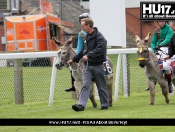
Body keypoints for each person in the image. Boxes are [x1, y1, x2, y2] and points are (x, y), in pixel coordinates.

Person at [67, 18, 109, 111]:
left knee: (101, 86)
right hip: (87, 66)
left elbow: (100, 49)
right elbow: (83, 51)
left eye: (83, 26)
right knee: (85, 85)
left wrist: (89, 56)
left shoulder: (99, 37)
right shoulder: (87, 37)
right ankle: (81, 105)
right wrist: (74, 59)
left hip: (97, 65)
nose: (82, 29)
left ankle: (105, 104)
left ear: (89, 25)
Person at [65, 13, 91, 92]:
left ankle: (74, 85)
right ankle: (74, 85)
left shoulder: (85, 32)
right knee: (72, 68)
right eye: (81, 21)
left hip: (83, 52)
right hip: (80, 53)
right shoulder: (83, 32)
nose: (81, 23)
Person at [145, 21, 174, 93]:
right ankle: (152, 80)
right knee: (151, 62)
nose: (161, 23)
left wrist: (160, 45)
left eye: (162, 21)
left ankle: (169, 83)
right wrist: (154, 49)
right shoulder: (157, 30)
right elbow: (153, 42)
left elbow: (168, 39)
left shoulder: (169, 29)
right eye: (159, 22)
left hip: (168, 49)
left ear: (165, 22)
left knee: (165, 66)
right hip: (158, 49)